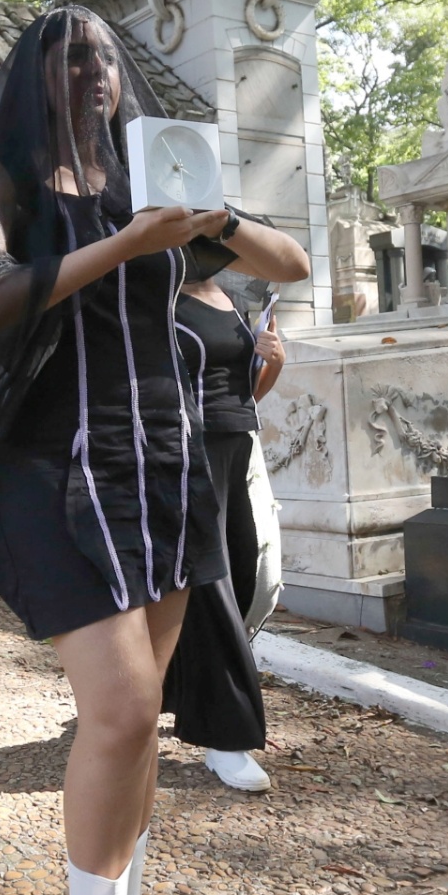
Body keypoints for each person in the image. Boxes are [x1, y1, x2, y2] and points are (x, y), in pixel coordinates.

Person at [0, 8, 309, 895]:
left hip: (165, 468)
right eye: (73, 55)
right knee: (120, 708)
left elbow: (292, 260)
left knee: (141, 729)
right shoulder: (0, 178)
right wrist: (124, 246)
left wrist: (212, 217)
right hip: (55, 469)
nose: (96, 70)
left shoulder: (149, 178)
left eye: (109, 58)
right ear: (37, 75)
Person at [163, 285, 288, 792]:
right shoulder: (160, 296)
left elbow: (246, 392)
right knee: (212, 586)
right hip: (188, 452)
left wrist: (273, 361)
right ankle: (225, 736)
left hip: (238, 446)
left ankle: (166, 696)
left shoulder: (228, 298)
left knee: (239, 579)